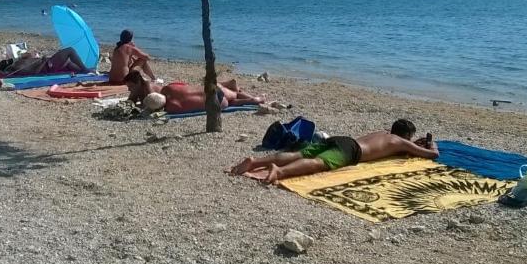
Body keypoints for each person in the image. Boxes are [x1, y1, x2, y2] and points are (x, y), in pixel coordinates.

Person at [230, 119, 439, 184]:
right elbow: (432, 155)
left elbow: (387, 145)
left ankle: (255, 162)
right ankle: (280, 171)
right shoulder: (400, 142)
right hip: (351, 150)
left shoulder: (383, 133)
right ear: (406, 135)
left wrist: (413, 144)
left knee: (300, 154)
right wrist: (432, 145)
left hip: (342, 139)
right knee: (320, 163)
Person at [128, 71, 264, 113]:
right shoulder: (167, 89)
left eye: (130, 87)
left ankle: (255, 100)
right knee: (233, 94)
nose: (129, 90)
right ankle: (251, 98)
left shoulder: (171, 107)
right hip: (213, 91)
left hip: (218, 102)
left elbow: (146, 104)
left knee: (233, 100)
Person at [0, 47, 89, 77]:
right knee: (70, 50)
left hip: (48, 62)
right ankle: (85, 70)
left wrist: (30, 54)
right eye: (7, 61)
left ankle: (83, 71)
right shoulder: (18, 68)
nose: (9, 60)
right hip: (48, 66)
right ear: (8, 66)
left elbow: (30, 58)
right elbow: (35, 74)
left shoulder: (18, 62)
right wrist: (44, 61)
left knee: (68, 62)